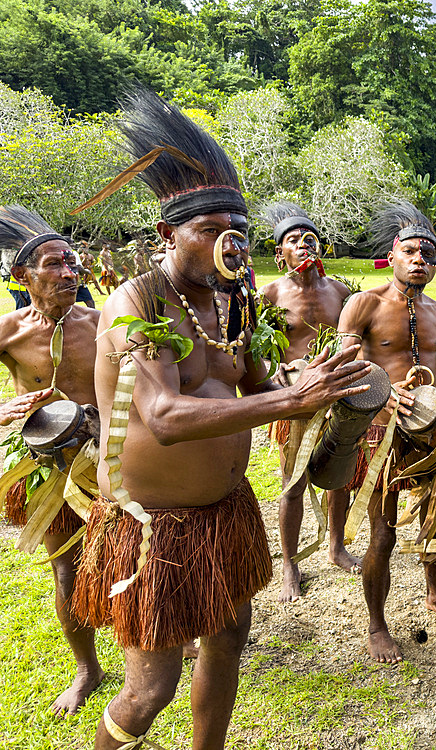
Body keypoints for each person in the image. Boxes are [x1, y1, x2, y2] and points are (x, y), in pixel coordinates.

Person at [70, 88, 372, 750]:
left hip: (225, 513)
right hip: (153, 528)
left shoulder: (237, 304)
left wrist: (324, 378)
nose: (226, 245)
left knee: (229, 636)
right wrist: (291, 401)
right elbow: (164, 415)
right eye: (208, 231)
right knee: (151, 689)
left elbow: (262, 381)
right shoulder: (136, 303)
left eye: (235, 232)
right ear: (166, 235)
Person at [338, 201, 436, 665]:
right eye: (411, 251)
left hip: (435, 435)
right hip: (381, 435)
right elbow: (343, 368)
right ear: (393, 254)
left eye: (429, 254)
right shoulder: (364, 304)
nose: (420, 260)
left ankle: (435, 595)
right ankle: (377, 625)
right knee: (382, 535)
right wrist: (382, 389)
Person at [0, 205, 104, 716]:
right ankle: (87, 666)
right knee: (65, 570)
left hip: (111, 458)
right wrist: (3, 410)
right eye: (54, 264)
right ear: (22, 276)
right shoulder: (10, 332)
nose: (69, 272)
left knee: (140, 553)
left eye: (71, 262)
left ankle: (160, 637)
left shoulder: (101, 322)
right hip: (47, 469)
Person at [257, 201, 358, 601]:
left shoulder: (341, 291)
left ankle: (335, 546)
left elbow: (355, 341)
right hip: (296, 400)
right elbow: (256, 347)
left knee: (340, 476)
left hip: (336, 395)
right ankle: (289, 562)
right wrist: (272, 369)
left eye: (309, 238)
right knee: (292, 482)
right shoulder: (270, 293)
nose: (303, 245)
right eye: (293, 241)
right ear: (280, 252)